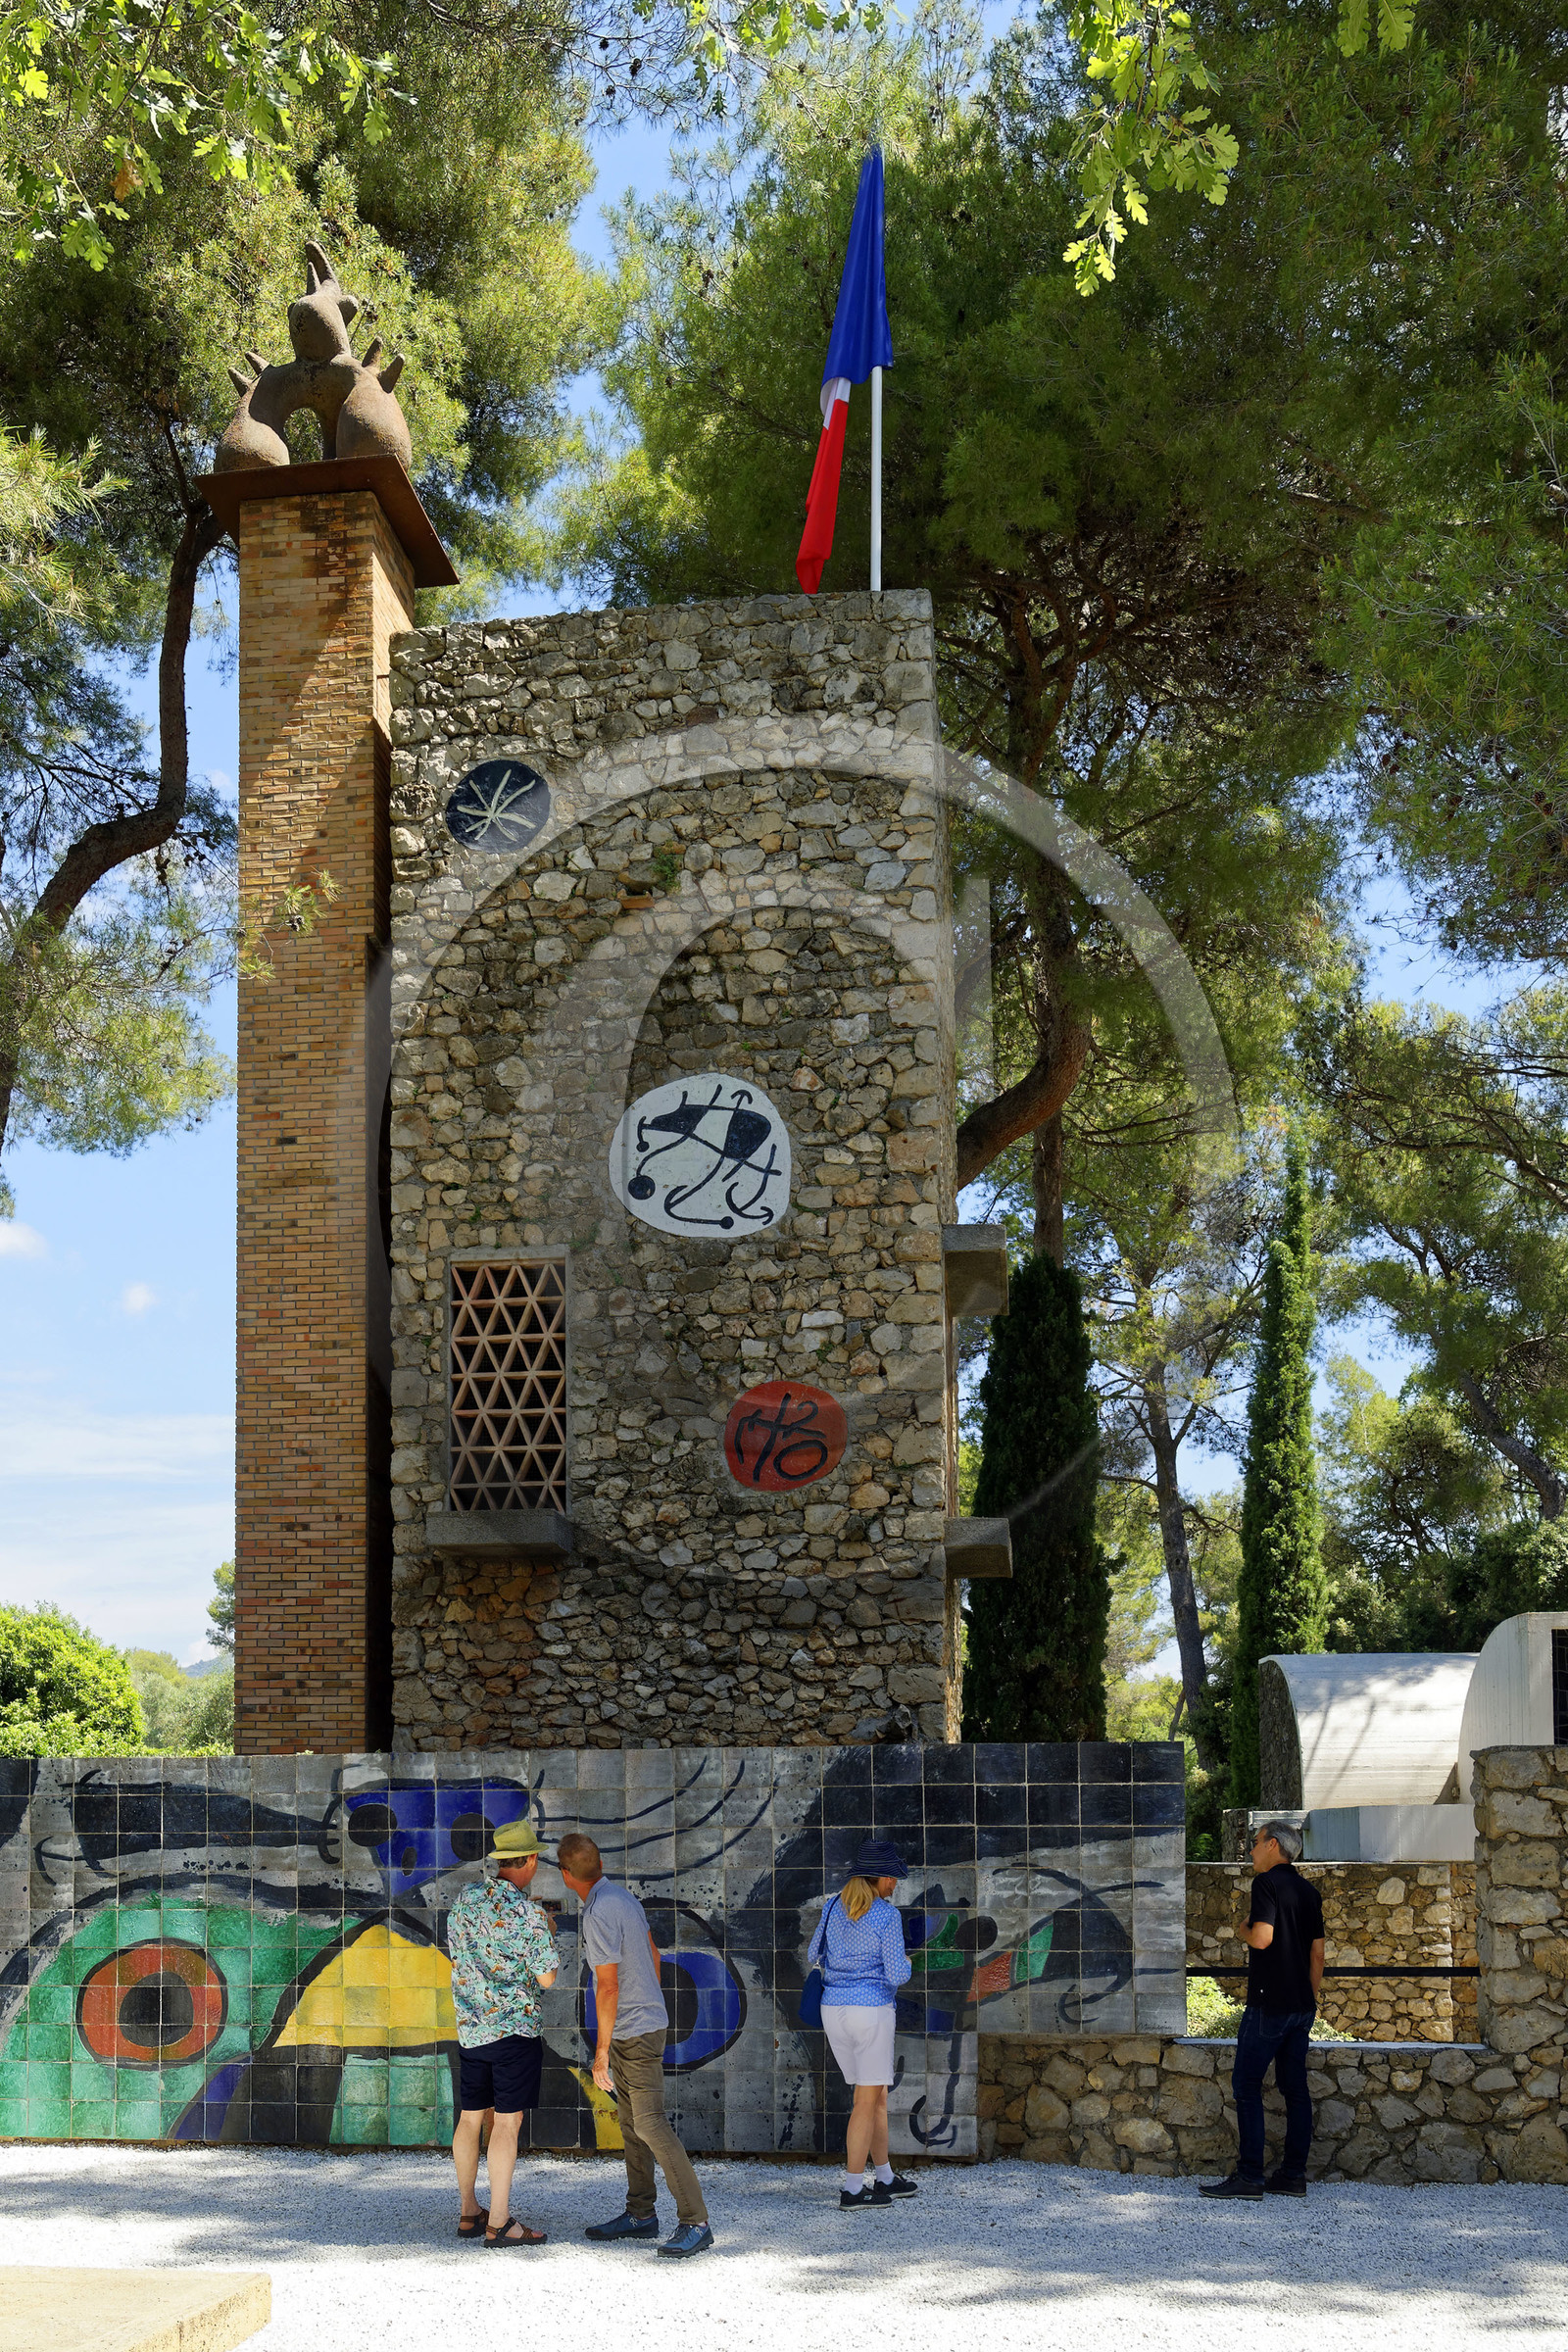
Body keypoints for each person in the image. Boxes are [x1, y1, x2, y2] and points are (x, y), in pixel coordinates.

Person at [557, 1831, 714, 2261]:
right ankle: (641, 2214)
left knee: (649, 2124)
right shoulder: (623, 1899)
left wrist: (601, 2050)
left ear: (566, 1875)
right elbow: (654, 1955)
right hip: (641, 2025)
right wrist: (645, 2003)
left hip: (634, 2033)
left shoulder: (599, 1912)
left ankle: (696, 2222)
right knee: (630, 2124)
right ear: (600, 1866)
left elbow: (606, 1986)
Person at [447, 1818, 560, 2246]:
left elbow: (457, 1959)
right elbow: (547, 1978)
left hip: (472, 2030)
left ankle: (467, 2211)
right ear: (529, 1860)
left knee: (471, 2118)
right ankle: (499, 2222)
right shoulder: (529, 1914)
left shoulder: (466, 1900)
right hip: (515, 2033)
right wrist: (548, 1932)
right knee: (507, 2125)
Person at [1200, 1820, 1326, 2202]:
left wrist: (1242, 1928)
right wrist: (1309, 1998)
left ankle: (1251, 2177)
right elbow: (1317, 1953)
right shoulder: (1309, 1891)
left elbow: (1262, 1938)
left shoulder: (1266, 1884)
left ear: (1273, 1845)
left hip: (1268, 2003)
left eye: (1255, 1844)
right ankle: (1292, 2176)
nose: (1251, 1851)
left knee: (1246, 2085)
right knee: (1296, 2090)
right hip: (1301, 2006)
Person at [808, 1838, 920, 2211]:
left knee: (876, 2098)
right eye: (893, 1877)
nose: (896, 1884)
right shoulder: (887, 1915)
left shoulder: (831, 1907)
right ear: (879, 1877)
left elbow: (813, 1954)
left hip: (833, 2009)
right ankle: (853, 2189)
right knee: (864, 2101)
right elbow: (896, 1974)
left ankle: (885, 2177)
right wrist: (908, 1963)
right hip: (870, 2010)